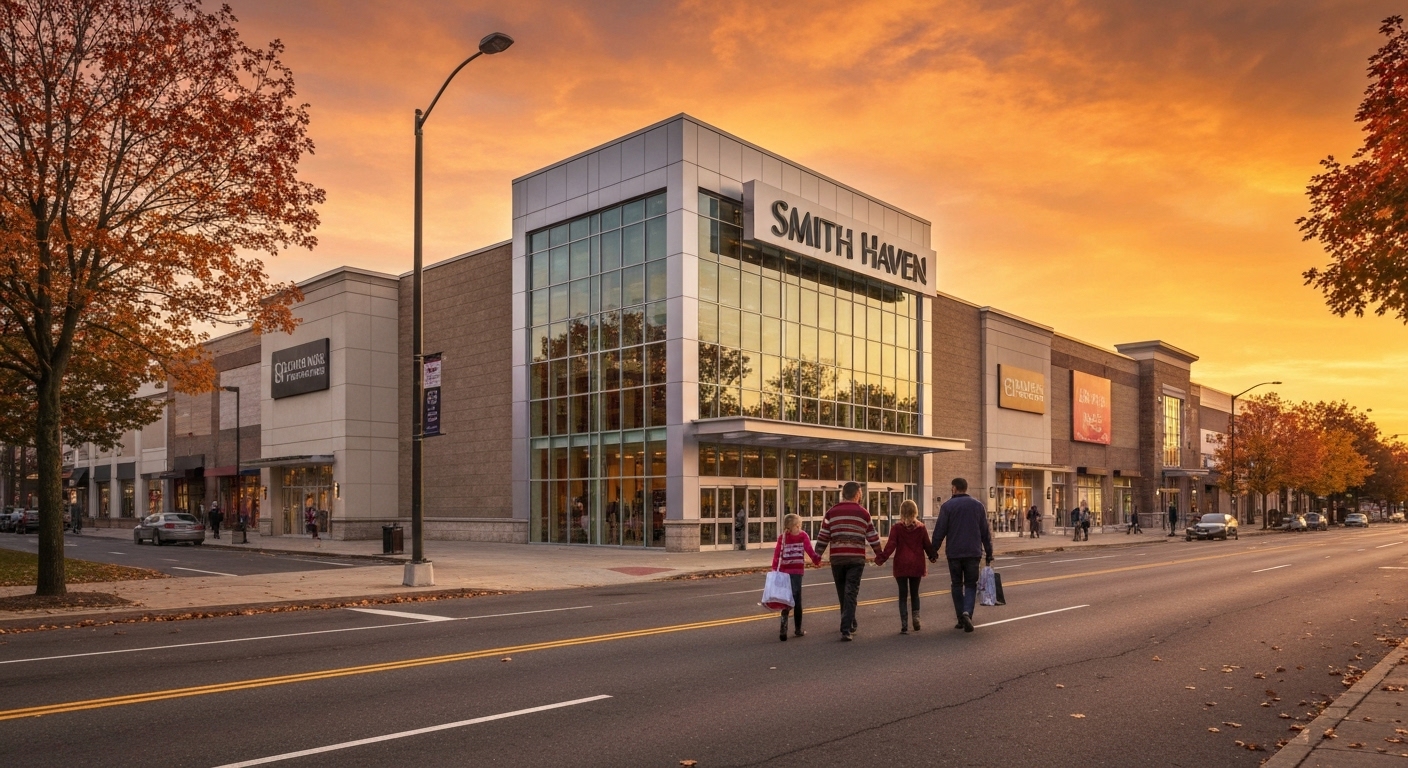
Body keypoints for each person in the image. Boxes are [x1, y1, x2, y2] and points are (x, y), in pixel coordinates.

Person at [815, 481, 883, 642]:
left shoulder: (831, 513)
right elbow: (872, 537)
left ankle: (850, 622)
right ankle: (846, 628)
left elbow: (823, 536)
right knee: (851, 592)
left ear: (843, 494)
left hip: (837, 559)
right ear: (857, 494)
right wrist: (880, 555)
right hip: (855, 559)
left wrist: (817, 555)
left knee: (843, 592)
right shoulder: (863, 513)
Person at [928, 478, 993, 633]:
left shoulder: (947, 507)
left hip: (954, 553)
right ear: (965, 488)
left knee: (956, 584)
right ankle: (967, 613)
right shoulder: (978, 506)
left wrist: (933, 552)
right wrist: (989, 553)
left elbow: (939, 531)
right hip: (973, 553)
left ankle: (960, 618)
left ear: (954, 488)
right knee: (971, 584)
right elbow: (985, 533)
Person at [875, 500, 930, 634]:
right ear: (915, 511)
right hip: (916, 564)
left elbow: (891, 546)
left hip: (901, 564)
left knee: (903, 594)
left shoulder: (896, 528)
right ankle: (916, 619)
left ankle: (904, 624)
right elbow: (927, 545)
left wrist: (881, 558)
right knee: (915, 593)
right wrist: (933, 556)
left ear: (901, 512)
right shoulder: (921, 528)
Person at [771, 513, 821, 641]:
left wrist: (775, 569)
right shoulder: (802, 536)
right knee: (797, 600)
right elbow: (809, 550)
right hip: (795, 572)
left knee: (787, 599)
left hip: (785, 572)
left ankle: (784, 626)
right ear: (794, 525)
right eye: (798, 525)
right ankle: (798, 629)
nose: (799, 527)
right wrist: (816, 560)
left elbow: (777, 555)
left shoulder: (783, 537)